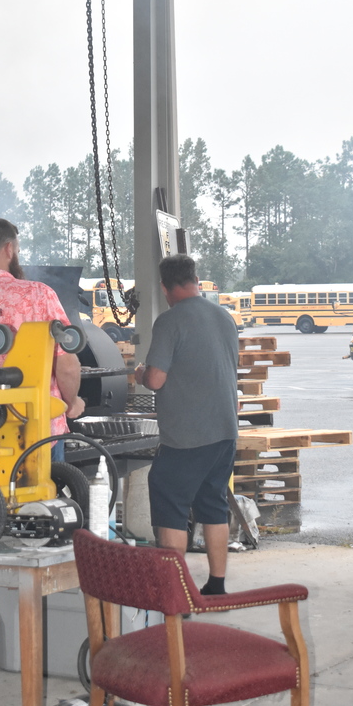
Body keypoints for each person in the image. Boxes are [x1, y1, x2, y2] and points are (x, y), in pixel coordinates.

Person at [0, 218, 85, 650]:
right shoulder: (38, 295)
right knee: (43, 521)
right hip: (39, 430)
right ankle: (40, 622)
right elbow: (65, 361)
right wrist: (72, 401)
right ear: (9, 248)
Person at [134, 254, 239, 596]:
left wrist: (140, 374)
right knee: (213, 503)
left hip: (187, 438)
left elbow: (157, 379)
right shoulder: (224, 317)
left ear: (165, 287)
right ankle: (216, 585)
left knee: (170, 504)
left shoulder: (170, 321)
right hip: (224, 431)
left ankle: (173, 593)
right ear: (196, 280)